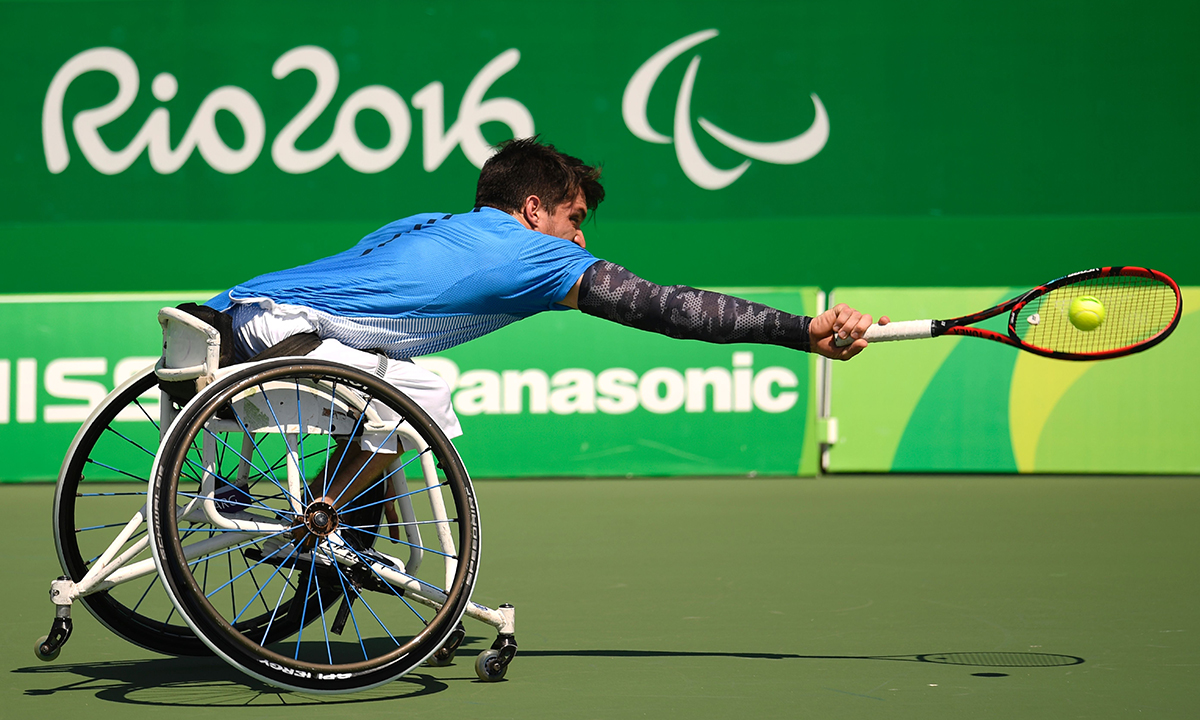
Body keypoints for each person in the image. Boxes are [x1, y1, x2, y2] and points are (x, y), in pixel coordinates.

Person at [205, 137, 884, 517]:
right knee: (422, 398)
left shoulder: (424, 226)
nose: (581, 241)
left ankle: (318, 524)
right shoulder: (539, 254)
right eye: (577, 218)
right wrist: (800, 331)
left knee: (399, 389)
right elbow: (669, 307)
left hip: (222, 328)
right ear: (534, 210)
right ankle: (318, 522)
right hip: (281, 344)